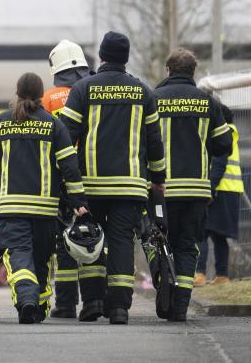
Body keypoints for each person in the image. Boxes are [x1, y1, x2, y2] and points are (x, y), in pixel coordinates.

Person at [60, 31, 166, 325]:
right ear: (126, 58)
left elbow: (66, 136)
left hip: (91, 185)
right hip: (130, 186)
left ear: (103, 56)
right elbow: (155, 142)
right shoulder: (143, 92)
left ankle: (93, 301)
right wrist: (158, 177)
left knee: (90, 239)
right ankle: (119, 308)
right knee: (121, 241)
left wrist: (66, 180)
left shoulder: (82, 88)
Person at [0, 72, 88, 324]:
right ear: (41, 95)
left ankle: (28, 300)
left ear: (17, 93)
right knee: (40, 261)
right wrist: (78, 202)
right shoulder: (54, 124)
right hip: (46, 212)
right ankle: (37, 307)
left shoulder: (1, 122)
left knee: (18, 256)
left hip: (12, 209)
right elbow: (69, 168)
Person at [154, 49, 232, 320]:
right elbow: (224, 144)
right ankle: (179, 308)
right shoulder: (207, 102)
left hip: (162, 190)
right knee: (188, 245)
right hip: (196, 191)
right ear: (193, 72)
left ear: (168, 70)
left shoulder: (154, 98)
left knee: (160, 243)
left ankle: (165, 294)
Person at [41, 40, 100, 320]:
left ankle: (65, 304)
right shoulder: (94, 91)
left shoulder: (49, 97)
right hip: (95, 174)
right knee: (93, 238)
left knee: (64, 241)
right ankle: (96, 301)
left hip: (61, 178)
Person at [196, 104, 241, 287]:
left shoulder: (222, 134)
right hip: (230, 190)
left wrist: (210, 189)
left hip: (219, 190)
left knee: (202, 231)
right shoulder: (232, 132)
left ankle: (199, 274)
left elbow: (219, 163)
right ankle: (222, 275)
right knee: (219, 235)